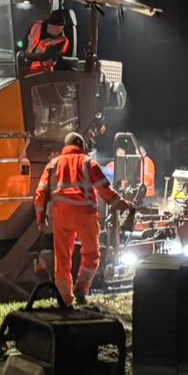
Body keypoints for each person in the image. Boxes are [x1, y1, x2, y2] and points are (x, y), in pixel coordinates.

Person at [35, 131, 136, 306]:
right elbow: (105, 190)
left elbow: (40, 193)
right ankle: (81, 288)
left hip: (60, 215)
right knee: (91, 254)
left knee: (63, 258)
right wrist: (123, 205)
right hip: (85, 214)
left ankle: (64, 298)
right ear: (82, 146)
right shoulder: (88, 162)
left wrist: (40, 217)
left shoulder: (53, 164)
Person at [23, 8, 70, 74]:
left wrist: (26, 56)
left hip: (44, 71)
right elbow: (24, 42)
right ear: (48, 24)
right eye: (54, 28)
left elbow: (45, 56)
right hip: (26, 67)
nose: (56, 31)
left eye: (59, 29)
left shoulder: (61, 41)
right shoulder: (37, 26)